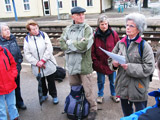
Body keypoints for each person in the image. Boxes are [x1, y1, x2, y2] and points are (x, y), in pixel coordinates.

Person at [108, 13, 155, 117]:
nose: (127, 28)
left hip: (138, 89)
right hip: (123, 88)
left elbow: (149, 68)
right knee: (127, 115)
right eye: (127, 25)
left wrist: (129, 67)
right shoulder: (120, 43)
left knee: (141, 116)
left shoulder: (144, 46)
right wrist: (114, 64)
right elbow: (110, 59)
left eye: (131, 26)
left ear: (138, 29)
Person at [59, 6, 97, 120]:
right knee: (74, 89)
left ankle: (93, 109)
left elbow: (84, 46)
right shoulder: (67, 29)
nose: (81, 16)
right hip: (71, 66)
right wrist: (75, 44)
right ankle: (76, 106)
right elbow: (62, 45)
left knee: (88, 90)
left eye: (83, 14)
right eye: (79, 14)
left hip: (84, 67)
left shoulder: (87, 29)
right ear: (73, 16)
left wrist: (69, 43)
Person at [23, 20, 59, 104]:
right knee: (41, 82)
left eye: (36, 28)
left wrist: (43, 60)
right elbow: (27, 54)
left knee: (51, 82)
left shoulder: (43, 35)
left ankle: (54, 96)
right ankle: (44, 94)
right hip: (37, 66)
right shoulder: (27, 39)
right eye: (33, 29)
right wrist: (36, 62)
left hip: (48, 63)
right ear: (29, 31)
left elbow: (49, 48)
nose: (36, 30)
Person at [91, 15, 120, 104]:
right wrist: (95, 61)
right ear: (98, 25)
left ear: (108, 24)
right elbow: (92, 50)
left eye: (106, 24)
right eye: (102, 24)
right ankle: (100, 95)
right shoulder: (95, 35)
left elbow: (119, 47)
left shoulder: (113, 34)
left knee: (113, 81)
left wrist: (116, 59)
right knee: (100, 81)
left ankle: (114, 94)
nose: (104, 26)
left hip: (111, 63)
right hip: (100, 63)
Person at [0, 23, 27, 110]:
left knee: (17, 87)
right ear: (1, 33)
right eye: (5, 30)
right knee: (8, 90)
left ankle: (19, 102)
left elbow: (19, 54)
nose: (8, 31)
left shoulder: (13, 39)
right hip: (5, 72)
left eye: (8, 29)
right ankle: (12, 106)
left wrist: (18, 66)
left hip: (15, 69)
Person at [0, 45, 19, 120]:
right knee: (1, 108)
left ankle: (14, 117)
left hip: (9, 82)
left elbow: (13, 64)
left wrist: (13, 75)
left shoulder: (4, 51)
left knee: (12, 104)